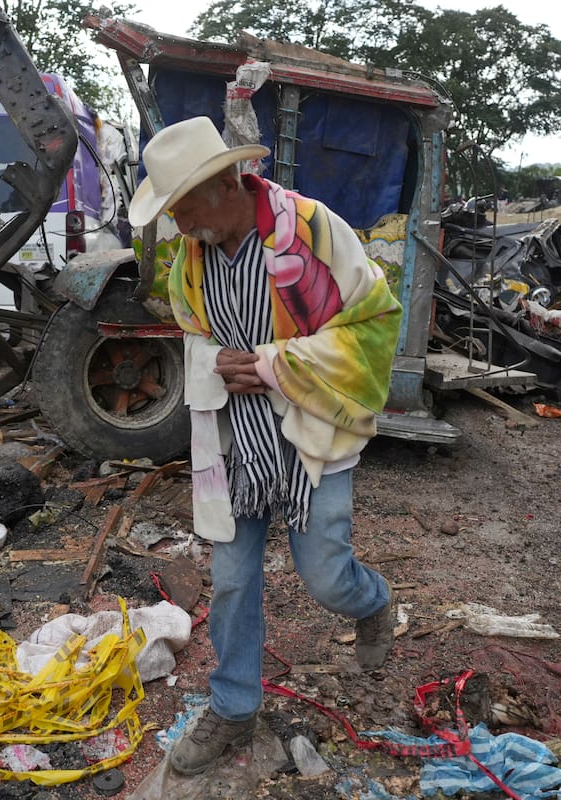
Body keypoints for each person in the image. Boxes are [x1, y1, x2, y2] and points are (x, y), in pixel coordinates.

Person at [126, 117, 402, 776]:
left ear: (226, 182)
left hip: (311, 431)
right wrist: (214, 361)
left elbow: (375, 322)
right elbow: (191, 334)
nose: (179, 223)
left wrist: (277, 365)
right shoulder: (189, 256)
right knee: (232, 581)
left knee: (327, 574)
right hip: (234, 438)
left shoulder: (312, 230)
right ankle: (233, 706)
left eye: (184, 205)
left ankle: (373, 602)